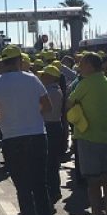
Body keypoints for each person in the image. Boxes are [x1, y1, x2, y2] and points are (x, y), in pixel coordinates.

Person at [0, 46, 53, 215]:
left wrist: (4, 119)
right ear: (18, 61)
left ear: (4, 62)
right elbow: (47, 106)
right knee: (40, 185)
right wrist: (29, 113)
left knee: (23, 187)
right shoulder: (32, 78)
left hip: (13, 138)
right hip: (37, 135)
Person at [68, 53, 107, 215]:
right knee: (106, 176)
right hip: (104, 134)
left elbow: (69, 102)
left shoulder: (86, 83)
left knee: (93, 180)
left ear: (89, 65)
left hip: (88, 134)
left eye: (81, 63)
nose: (79, 66)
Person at [40, 65, 65, 204]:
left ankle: (53, 190)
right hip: (54, 125)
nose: (42, 77)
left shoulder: (50, 91)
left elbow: (40, 109)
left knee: (49, 162)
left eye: (44, 75)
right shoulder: (55, 90)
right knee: (53, 161)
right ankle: (54, 190)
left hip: (50, 126)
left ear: (51, 77)